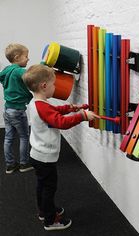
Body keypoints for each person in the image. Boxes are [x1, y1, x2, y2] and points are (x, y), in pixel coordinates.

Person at [22, 64, 99, 231]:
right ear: (44, 86)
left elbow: (53, 111)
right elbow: (60, 122)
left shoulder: (36, 102)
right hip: (45, 156)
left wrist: (70, 108)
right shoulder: (42, 106)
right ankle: (50, 221)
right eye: (53, 84)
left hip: (37, 154)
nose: (55, 88)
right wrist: (82, 116)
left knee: (42, 185)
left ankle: (44, 211)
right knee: (49, 188)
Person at [0, 43, 33, 174]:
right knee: (24, 137)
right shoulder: (20, 71)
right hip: (18, 111)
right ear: (17, 57)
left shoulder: (6, 70)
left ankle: (10, 165)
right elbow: (33, 77)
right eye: (26, 56)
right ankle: (24, 164)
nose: (28, 59)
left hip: (7, 110)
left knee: (8, 138)